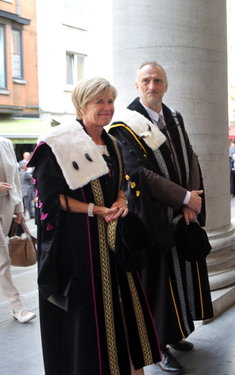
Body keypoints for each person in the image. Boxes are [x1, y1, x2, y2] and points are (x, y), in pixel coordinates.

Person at [28, 77, 161, 375]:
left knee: (120, 309)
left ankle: (125, 367)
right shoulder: (57, 144)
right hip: (78, 245)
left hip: (113, 242)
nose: (107, 108)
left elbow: (120, 185)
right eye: (99, 101)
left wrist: (121, 200)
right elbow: (49, 200)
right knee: (88, 316)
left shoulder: (112, 143)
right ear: (81, 104)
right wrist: (93, 209)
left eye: (110, 101)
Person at [108, 61, 213, 374]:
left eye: (158, 80)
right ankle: (157, 345)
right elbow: (139, 173)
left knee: (179, 274)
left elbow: (190, 157)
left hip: (181, 213)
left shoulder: (174, 117)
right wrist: (182, 197)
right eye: (146, 81)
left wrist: (191, 200)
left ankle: (176, 329)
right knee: (156, 282)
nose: (152, 86)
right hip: (151, 218)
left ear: (166, 84)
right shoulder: (124, 124)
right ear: (137, 84)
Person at [0, 136, 36, 323]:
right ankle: (17, 306)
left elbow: (14, 177)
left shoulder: (5, 143)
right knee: (3, 257)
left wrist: (19, 208)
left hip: (6, 204)